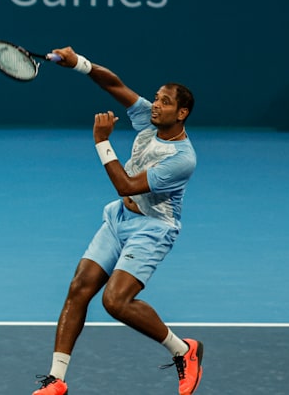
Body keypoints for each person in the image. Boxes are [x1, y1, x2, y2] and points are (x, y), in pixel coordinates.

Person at [32, 47, 203, 395]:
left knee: (115, 302)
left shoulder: (182, 159)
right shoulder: (146, 121)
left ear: (181, 113)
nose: (155, 105)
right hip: (119, 218)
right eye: (156, 98)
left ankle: (184, 351)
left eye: (165, 102)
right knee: (79, 288)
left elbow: (125, 184)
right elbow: (114, 84)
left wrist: (102, 142)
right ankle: (56, 379)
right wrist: (78, 63)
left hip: (153, 229)